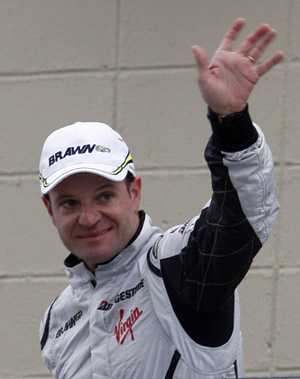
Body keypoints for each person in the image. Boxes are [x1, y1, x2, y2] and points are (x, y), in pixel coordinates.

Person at [39, 18, 283, 379]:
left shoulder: (176, 266)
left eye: (104, 196)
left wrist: (231, 124)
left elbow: (240, 219)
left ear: (133, 191)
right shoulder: (57, 320)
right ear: (50, 209)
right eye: (70, 203)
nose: (89, 218)